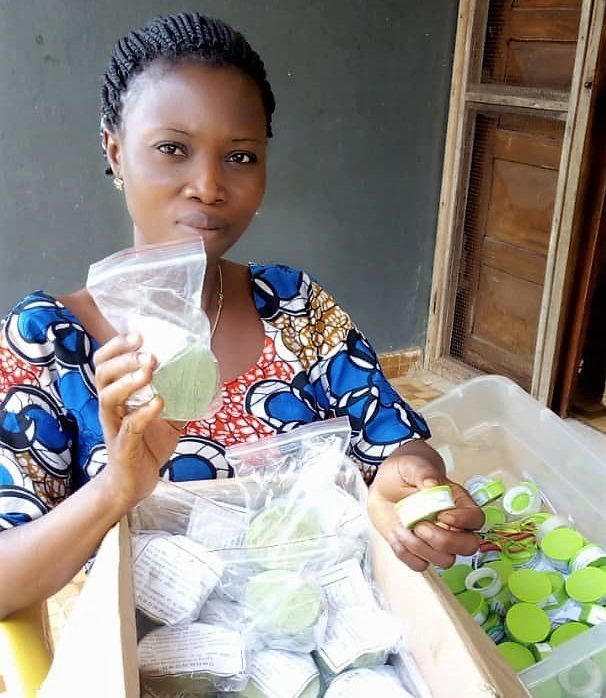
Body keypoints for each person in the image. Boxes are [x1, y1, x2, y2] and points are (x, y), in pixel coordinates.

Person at [0, 12, 482, 620]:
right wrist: (115, 491)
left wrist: (408, 481)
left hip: (319, 643)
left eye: (241, 157)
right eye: (173, 149)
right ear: (115, 151)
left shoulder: (294, 306)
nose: (208, 185)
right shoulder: (50, 343)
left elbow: (393, 446)